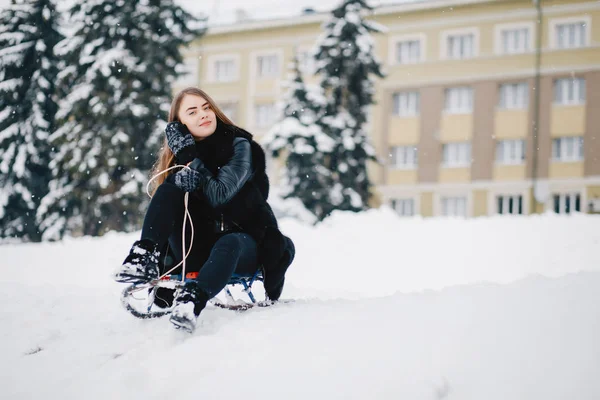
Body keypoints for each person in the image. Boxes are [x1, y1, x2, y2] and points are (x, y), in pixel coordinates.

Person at [114, 87, 295, 332]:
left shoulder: (240, 146)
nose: (203, 114)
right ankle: (143, 256)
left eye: (206, 107)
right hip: (197, 247)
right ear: (180, 124)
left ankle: (192, 301)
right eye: (193, 111)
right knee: (169, 189)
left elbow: (221, 194)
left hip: (244, 243)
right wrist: (182, 172)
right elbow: (169, 210)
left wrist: (191, 162)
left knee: (229, 242)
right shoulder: (179, 155)